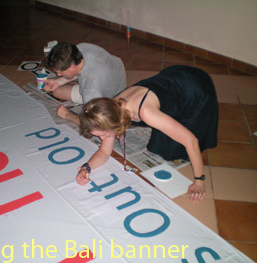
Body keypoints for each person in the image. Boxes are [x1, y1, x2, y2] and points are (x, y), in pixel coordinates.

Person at [75, 65, 218, 202]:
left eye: (103, 134)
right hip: (171, 79)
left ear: (113, 124)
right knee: (159, 145)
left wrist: (199, 181)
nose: (102, 138)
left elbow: (191, 141)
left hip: (195, 87)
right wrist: (85, 168)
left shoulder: (146, 112)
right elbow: (105, 151)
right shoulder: (110, 109)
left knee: (174, 152)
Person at [44, 42, 126, 125]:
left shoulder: (91, 87)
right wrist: (57, 82)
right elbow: (81, 70)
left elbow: (93, 124)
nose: (58, 75)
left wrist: (67, 115)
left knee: (58, 92)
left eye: (60, 72)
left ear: (72, 67)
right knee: (58, 87)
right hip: (116, 74)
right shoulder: (80, 48)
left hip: (109, 99)